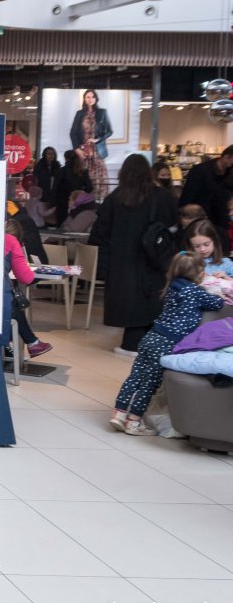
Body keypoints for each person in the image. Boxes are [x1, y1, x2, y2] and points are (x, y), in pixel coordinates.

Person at [111, 252, 232, 435]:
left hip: (151, 337)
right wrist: (215, 292)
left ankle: (118, 414)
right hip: (167, 342)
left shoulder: (172, 287)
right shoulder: (195, 292)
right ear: (199, 273)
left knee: (135, 377)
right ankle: (134, 421)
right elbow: (215, 303)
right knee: (149, 383)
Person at [89, 154, 179, 355]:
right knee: (152, 297)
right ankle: (151, 341)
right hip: (153, 257)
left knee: (129, 298)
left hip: (122, 259)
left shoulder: (116, 198)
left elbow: (100, 232)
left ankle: (131, 342)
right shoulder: (161, 196)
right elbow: (173, 225)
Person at [3, 218, 54, 360]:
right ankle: (30, 342)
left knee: (9, 302)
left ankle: (29, 343)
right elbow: (25, 278)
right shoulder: (10, 241)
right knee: (10, 302)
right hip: (0, 302)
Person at [179, 145, 233, 238]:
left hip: (222, 221)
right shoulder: (200, 171)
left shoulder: (230, 172)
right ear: (226, 157)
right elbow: (188, 196)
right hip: (200, 219)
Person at [69, 90, 113, 193]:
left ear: (96, 98)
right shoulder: (79, 114)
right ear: (84, 99)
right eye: (88, 97)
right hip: (83, 151)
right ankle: (83, 201)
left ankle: (99, 202)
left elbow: (109, 131)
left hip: (97, 151)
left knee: (99, 178)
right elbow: (73, 133)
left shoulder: (102, 112)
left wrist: (97, 139)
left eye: (92, 97)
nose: (90, 99)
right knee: (83, 176)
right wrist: (77, 149)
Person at [53, 150, 93, 226]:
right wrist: (80, 192)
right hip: (79, 201)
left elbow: (56, 187)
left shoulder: (62, 171)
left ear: (66, 158)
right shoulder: (83, 171)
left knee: (62, 224)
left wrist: (53, 201)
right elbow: (89, 187)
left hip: (62, 201)